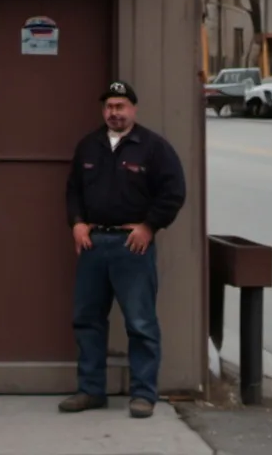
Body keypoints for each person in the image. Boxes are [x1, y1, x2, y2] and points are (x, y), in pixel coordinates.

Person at [58, 80, 186, 419]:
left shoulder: (154, 148)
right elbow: (73, 190)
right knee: (87, 320)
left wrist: (149, 227)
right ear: (104, 110)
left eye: (121, 106)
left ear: (133, 109)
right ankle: (90, 390)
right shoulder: (89, 146)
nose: (114, 113)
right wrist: (77, 222)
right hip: (93, 245)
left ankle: (143, 394)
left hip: (133, 248)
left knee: (140, 323)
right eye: (109, 107)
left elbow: (174, 192)